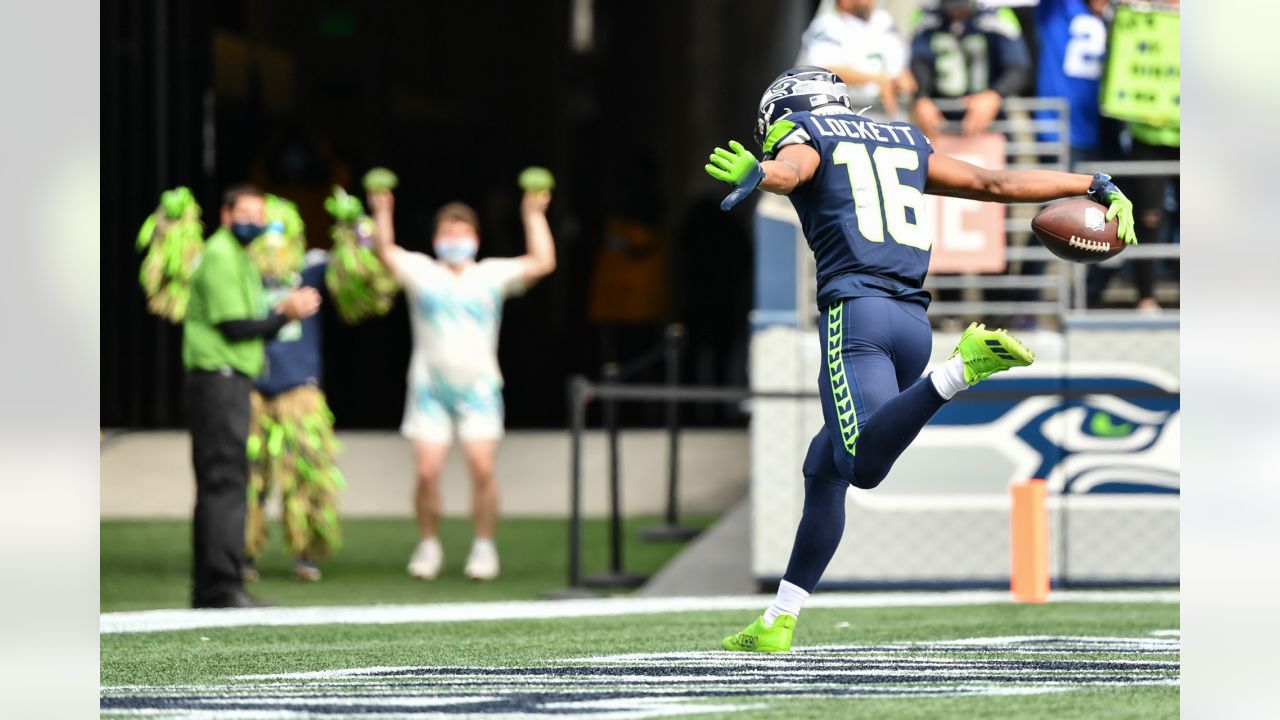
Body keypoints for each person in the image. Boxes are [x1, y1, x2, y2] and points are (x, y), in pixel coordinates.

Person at [703, 67, 1136, 652]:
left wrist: (764, 173)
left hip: (856, 316)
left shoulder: (805, 131)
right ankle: (780, 617)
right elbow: (996, 185)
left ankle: (961, 370)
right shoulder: (902, 138)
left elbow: (794, 167)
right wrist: (1092, 182)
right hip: (910, 323)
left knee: (863, 464)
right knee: (825, 466)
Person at [369, 187, 557, 581]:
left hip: (479, 390)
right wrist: (382, 211)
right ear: (436, 239)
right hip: (428, 389)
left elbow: (542, 262)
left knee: (482, 469)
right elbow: (383, 252)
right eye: (448, 234)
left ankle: (485, 547)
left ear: (476, 237)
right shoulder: (422, 271)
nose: (455, 240)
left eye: (462, 232)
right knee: (426, 473)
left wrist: (532, 213)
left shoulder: (489, 274)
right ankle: (428, 545)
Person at [182, 183, 320, 608]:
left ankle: (211, 587)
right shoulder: (223, 254)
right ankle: (222, 586)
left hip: (226, 380)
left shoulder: (236, 256)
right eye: (244, 213)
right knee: (226, 480)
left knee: (221, 481)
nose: (253, 223)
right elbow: (236, 326)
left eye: (260, 216)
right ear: (225, 215)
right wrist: (286, 314)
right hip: (218, 379)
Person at [909, 0, 1032, 138]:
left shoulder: (997, 14)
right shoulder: (926, 16)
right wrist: (921, 98)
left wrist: (994, 95)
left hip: (990, 124)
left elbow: (1019, 67)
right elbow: (918, 62)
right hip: (939, 122)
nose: (957, 14)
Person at [795, 0, 915, 119]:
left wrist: (902, 77)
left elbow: (898, 63)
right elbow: (824, 69)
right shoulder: (827, 23)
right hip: (847, 117)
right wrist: (879, 80)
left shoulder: (883, 20)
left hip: (890, 117)